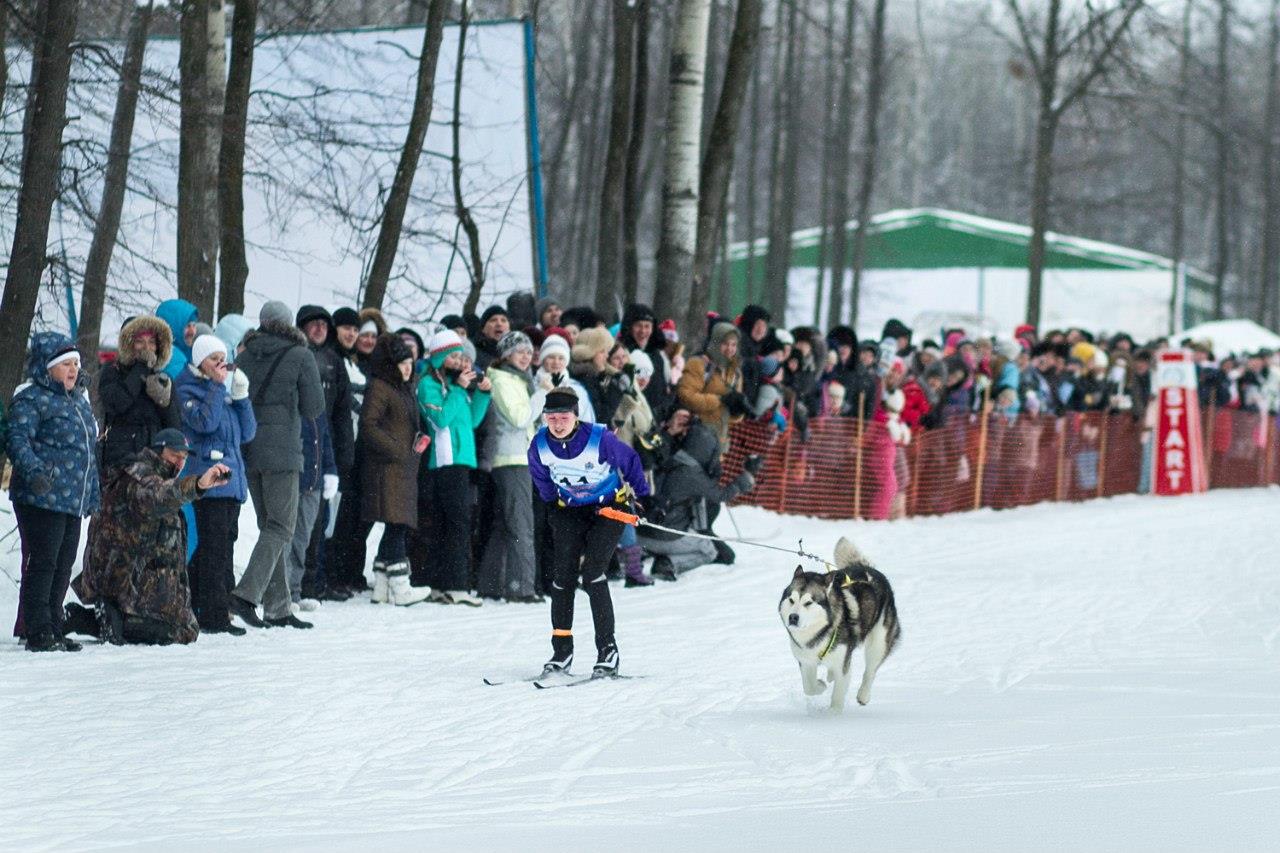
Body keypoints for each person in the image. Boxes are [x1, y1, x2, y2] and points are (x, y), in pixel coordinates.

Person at [528, 386, 651, 678]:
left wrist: (642, 497)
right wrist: (552, 506)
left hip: (608, 509)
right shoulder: (539, 445)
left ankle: (607, 651)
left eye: (564, 417)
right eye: (552, 418)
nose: (558, 424)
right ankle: (561, 651)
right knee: (563, 577)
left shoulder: (599, 439)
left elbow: (630, 461)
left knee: (593, 572)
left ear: (575, 416)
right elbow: (541, 477)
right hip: (570, 509)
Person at [68, 430, 230, 645]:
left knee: (187, 630)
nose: (180, 463)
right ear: (157, 451)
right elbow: (159, 495)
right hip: (121, 578)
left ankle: (115, 619)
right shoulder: (139, 476)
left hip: (140, 577)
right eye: (174, 455)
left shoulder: (159, 477)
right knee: (175, 632)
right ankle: (100, 618)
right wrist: (198, 484)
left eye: (183, 458)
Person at [229, 301, 325, 630]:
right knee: (282, 527)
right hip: (283, 453)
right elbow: (314, 407)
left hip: (249, 451)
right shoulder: (301, 355)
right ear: (289, 324)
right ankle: (245, 595)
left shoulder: (243, 355)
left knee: (270, 526)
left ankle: (279, 607)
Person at [6, 333, 101, 651]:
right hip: (41, 495)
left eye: (76, 363)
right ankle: (37, 628)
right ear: (48, 369)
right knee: (44, 560)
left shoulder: (78, 401)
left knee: (64, 561)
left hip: (71, 497)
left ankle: (54, 623)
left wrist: (92, 492)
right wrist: (34, 473)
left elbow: (89, 450)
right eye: (65, 364)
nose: (73, 369)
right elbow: (17, 439)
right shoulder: (32, 398)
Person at [175, 334, 256, 635]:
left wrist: (243, 398)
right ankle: (213, 614)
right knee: (214, 549)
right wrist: (217, 387)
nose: (221, 365)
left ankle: (208, 603)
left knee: (225, 546)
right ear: (200, 362)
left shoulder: (222, 391)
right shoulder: (189, 389)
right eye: (214, 360)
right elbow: (204, 424)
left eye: (224, 358)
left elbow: (247, 433)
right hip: (208, 482)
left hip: (232, 482)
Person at [416, 329, 491, 605]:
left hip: (461, 460)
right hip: (443, 461)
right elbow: (441, 420)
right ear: (440, 358)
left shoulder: (454, 387)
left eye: (462, 356)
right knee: (455, 523)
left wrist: (483, 394)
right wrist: (459, 389)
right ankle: (456, 585)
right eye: (454, 356)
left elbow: (470, 421)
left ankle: (442, 584)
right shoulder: (430, 385)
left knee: (453, 523)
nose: (460, 362)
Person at [360, 335, 432, 606]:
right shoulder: (381, 386)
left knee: (396, 525)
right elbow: (369, 425)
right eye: (402, 363)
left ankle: (381, 586)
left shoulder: (405, 388)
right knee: (397, 525)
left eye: (409, 363)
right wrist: (397, 449)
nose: (407, 368)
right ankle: (400, 587)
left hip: (403, 467)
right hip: (388, 468)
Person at [640, 423, 760, 579]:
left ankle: (649, 555)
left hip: (641, 530)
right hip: (664, 534)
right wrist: (745, 478)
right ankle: (668, 563)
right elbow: (720, 495)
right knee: (709, 551)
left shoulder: (673, 458)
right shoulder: (692, 473)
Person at [478, 331, 540, 602]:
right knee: (521, 524)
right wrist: (543, 395)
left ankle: (491, 584)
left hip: (520, 457)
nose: (526, 356)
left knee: (505, 524)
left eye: (528, 351)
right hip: (511, 459)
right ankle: (521, 587)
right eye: (520, 351)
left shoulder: (519, 380)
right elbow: (519, 417)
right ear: (506, 355)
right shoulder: (501, 380)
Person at [96, 314, 182, 472]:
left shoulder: (163, 378)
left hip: (155, 462)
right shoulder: (112, 371)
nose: (146, 348)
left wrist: (165, 403)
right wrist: (140, 369)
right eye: (139, 342)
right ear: (128, 344)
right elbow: (115, 403)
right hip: (120, 461)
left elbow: (176, 428)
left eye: (151, 342)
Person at [677, 321, 749, 451]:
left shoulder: (735, 372)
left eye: (733, 345)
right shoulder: (699, 364)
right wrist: (719, 400)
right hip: (694, 436)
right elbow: (686, 396)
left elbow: (730, 417)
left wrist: (737, 410)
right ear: (716, 343)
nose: (730, 349)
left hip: (718, 440)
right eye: (725, 343)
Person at [532, 333, 595, 424]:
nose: (556, 362)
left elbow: (587, 422)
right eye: (551, 357)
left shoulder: (577, 389)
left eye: (561, 358)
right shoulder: (532, 385)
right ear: (543, 359)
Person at [155, 298, 199, 380]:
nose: (192, 331)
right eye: (187, 326)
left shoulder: (188, 355)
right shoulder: (176, 361)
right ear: (172, 327)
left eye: (194, 325)